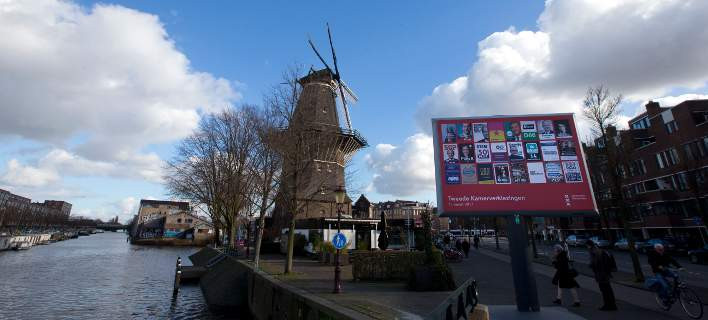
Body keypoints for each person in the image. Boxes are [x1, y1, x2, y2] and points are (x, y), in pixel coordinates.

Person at [587, 240, 617, 311]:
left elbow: (594, 263)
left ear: (589, 245)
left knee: (604, 290)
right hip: (606, 273)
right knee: (608, 289)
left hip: (601, 274)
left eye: (587, 246)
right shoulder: (600, 250)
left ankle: (607, 305)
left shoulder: (594, 252)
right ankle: (613, 305)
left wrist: (590, 265)